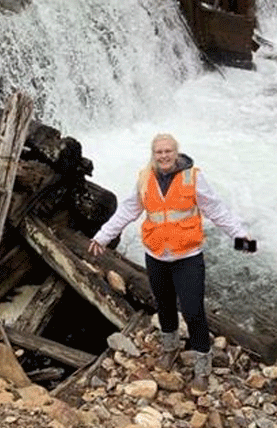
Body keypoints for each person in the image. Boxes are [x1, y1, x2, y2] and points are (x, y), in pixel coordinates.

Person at [88, 133, 253, 395]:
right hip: (156, 255)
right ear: (153, 155)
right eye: (158, 152)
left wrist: (241, 237)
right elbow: (128, 210)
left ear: (176, 153)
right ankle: (170, 347)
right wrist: (103, 236)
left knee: (193, 310)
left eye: (168, 152)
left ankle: (202, 367)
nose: (163, 156)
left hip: (187, 256)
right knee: (163, 305)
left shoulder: (193, 177)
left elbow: (217, 210)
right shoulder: (144, 178)